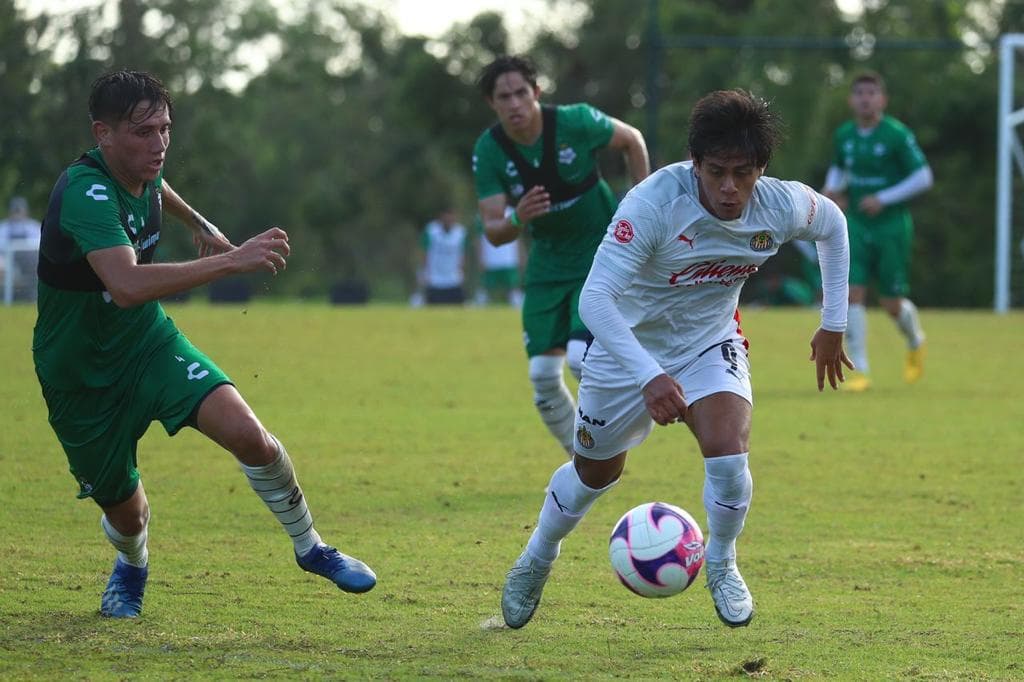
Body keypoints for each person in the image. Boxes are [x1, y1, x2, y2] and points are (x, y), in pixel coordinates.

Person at [499, 89, 852, 630]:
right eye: (716, 172)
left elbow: (833, 226)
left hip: (708, 342)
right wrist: (648, 375)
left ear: (762, 168)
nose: (730, 187)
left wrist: (833, 323)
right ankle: (538, 557)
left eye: (743, 172)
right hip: (627, 350)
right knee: (594, 472)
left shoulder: (780, 204)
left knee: (728, 455)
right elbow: (594, 300)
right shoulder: (653, 205)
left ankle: (722, 562)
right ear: (696, 164)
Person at [32, 70, 376, 618]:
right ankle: (133, 564)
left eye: (166, 129)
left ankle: (312, 548)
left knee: (250, 436)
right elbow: (125, 285)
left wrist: (200, 222)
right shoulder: (84, 192)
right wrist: (230, 260)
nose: (160, 144)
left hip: (145, 341)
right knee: (128, 515)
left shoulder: (142, 170)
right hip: (79, 374)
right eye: (143, 132)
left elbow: (157, 185)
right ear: (103, 134)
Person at [473, 55, 651, 457]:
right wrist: (518, 217)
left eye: (522, 93)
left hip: (597, 257)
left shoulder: (576, 121)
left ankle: (639, 408)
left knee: (580, 360)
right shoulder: (489, 151)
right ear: (493, 103)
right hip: (547, 266)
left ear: (537, 92)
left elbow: (632, 140)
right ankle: (584, 461)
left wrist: (640, 204)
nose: (515, 103)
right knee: (542, 378)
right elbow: (494, 232)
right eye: (505, 97)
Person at [822, 71, 932, 392]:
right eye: (859, 93)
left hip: (892, 226)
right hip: (855, 222)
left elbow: (923, 176)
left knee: (891, 302)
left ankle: (915, 340)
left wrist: (884, 198)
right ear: (851, 100)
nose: (865, 98)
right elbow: (840, 169)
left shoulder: (896, 135)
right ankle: (861, 370)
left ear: (882, 99)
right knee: (852, 291)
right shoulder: (844, 135)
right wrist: (830, 190)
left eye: (871, 93)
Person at [415, 207, 468, 305]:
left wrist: (461, 270)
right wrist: (423, 271)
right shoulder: (431, 231)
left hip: (453, 278)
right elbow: (424, 252)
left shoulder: (461, 232)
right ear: (441, 217)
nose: (448, 219)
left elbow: (462, 254)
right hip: (435, 279)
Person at [473, 211, 524, 307]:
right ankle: (479, 305)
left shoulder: (513, 212)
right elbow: (478, 239)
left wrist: (520, 257)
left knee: (514, 289)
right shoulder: (481, 215)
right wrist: (480, 258)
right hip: (490, 261)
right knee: (484, 288)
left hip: (509, 260)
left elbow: (518, 238)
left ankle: (517, 306)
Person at [0, 196, 42, 302]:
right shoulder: (3, 228)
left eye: (19, 210)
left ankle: (35, 297)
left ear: (25, 211)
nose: (17, 214)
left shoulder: (34, 227)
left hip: (30, 267)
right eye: (15, 211)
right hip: (9, 265)